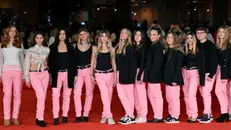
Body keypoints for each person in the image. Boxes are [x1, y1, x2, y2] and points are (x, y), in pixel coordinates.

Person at [48, 29, 77, 125]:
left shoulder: (70, 47)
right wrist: (50, 75)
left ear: (66, 35)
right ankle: (55, 117)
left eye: (64, 34)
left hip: (68, 74)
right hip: (56, 75)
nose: (62, 35)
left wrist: (75, 74)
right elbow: (50, 63)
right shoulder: (52, 47)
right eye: (60, 34)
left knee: (67, 96)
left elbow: (74, 62)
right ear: (57, 35)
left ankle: (65, 115)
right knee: (55, 96)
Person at [90, 29, 116, 125]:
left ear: (108, 38)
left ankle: (104, 115)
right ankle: (109, 116)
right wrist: (91, 74)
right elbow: (92, 61)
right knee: (104, 95)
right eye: (102, 36)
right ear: (99, 38)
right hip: (99, 74)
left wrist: (115, 76)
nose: (104, 38)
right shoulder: (95, 48)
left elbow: (113, 62)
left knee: (108, 96)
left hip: (110, 74)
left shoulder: (112, 49)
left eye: (106, 36)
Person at [24, 32, 50, 127]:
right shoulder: (30, 50)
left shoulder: (47, 50)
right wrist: (26, 78)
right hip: (34, 74)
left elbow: (47, 62)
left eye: (41, 37)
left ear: (43, 39)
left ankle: (38, 117)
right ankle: (40, 118)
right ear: (34, 39)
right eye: (37, 37)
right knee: (41, 96)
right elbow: (26, 64)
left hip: (44, 74)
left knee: (42, 97)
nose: (39, 39)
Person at [0, 25, 24, 126]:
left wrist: (24, 74)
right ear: (7, 32)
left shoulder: (20, 45)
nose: (12, 33)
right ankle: (6, 117)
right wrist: (0, 73)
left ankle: (15, 117)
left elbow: (22, 60)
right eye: (11, 31)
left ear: (16, 33)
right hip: (6, 71)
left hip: (18, 71)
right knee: (7, 95)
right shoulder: (2, 45)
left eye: (14, 31)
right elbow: (0, 60)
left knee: (17, 95)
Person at [116, 28, 137, 125]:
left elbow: (133, 64)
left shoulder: (130, 47)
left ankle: (130, 116)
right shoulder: (118, 47)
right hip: (119, 74)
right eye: (121, 32)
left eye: (125, 33)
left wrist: (132, 77)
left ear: (129, 36)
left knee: (129, 96)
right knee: (121, 95)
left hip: (127, 75)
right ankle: (129, 114)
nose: (123, 34)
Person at [144, 28, 164, 123]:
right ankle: (157, 115)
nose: (152, 36)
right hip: (151, 75)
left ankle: (159, 116)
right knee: (151, 95)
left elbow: (157, 63)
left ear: (159, 36)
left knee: (156, 96)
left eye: (154, 34)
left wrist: (151, 76)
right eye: (151, 34)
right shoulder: (153, 45)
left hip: (154, 76)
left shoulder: (158, 47)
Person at [163, 32, 184, 124]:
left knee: (174, 98)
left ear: (175, 39)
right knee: (169, 98)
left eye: (171, 37)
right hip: (168, 78)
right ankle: (171, 114)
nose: (169, 39)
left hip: (174, 79)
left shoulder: (178, 51)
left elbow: (178, 67)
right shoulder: (168, 50)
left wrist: (175, 80)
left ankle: (175, 116)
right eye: (168, 37)